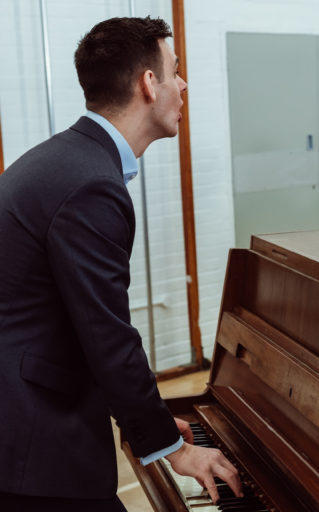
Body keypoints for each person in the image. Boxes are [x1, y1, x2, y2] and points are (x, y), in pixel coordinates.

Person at [0, 17, 242, 511]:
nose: (184, 84)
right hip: (34, 439)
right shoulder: (91, 184)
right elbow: (106, 332)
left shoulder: (64, 159)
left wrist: (145, 419)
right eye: (175, 71)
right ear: (149, 84)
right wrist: (170, 446)